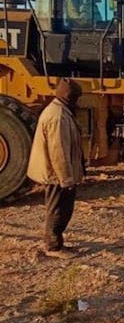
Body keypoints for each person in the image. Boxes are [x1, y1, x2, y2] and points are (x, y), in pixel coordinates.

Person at [27, 78, 85, 257]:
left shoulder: (60, 111)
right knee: (58, 208)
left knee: (61, 208)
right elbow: (58, 152)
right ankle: (53, 247)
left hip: (57, 173)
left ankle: (55, 243)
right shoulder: (57, 117)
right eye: (76, 97)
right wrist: (66, 179)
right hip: (56, 174)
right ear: (69, 96)